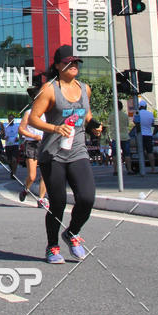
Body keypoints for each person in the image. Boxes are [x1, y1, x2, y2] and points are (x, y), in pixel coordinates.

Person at [29, 45, 102, 264]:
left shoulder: (84, 88)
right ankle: (52, 247)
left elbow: (86, 116)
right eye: (68, 63)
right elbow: (33, 118)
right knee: (58, 202)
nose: (73, 66)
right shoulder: (50, 90)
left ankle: (72, 232)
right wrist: (55, 128)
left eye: (76, 62)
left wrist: (94, 126)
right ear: (58, 66)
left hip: (78, 150)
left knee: (87, 198)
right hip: (53, 154)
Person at [18, 102, 49, 209]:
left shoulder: (48, 114)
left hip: (44, 144)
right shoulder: (29, 113)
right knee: (32, 176)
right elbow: (21, 130)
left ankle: (41, 199)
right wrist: (34, 136)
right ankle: (26, 189)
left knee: (45, 174)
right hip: (31, 144)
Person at [108, 101, 132, 175]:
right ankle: (129, 170)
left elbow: (109, 123)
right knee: (127, 154)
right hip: (125, 136)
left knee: (115, 154)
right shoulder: (125, 115)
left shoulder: (112, 115)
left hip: (115, 136)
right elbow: (127, 124)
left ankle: (116, 170)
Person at [133, 100, 155, 173]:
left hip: (139, 135)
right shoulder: (150, 114)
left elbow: (135, 122)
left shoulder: (137, 114)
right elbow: (152, 123)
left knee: (140, 152)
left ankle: (142, 168)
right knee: (150, 152)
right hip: (148, 134)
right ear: (145, 106)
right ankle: (153, 168)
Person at [3, 113, 19, 179]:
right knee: (9, 160)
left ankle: (14, 173)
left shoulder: (17, 126)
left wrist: (18, 139)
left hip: (15, 144)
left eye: (12, 118)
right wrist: (4, 137)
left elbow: (21, 134)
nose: (11, 120)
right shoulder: (5, 126)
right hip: (8, 145)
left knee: (14, 160)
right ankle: (12, 171)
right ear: (8, 119)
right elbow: (1, 135)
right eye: (10, 118)